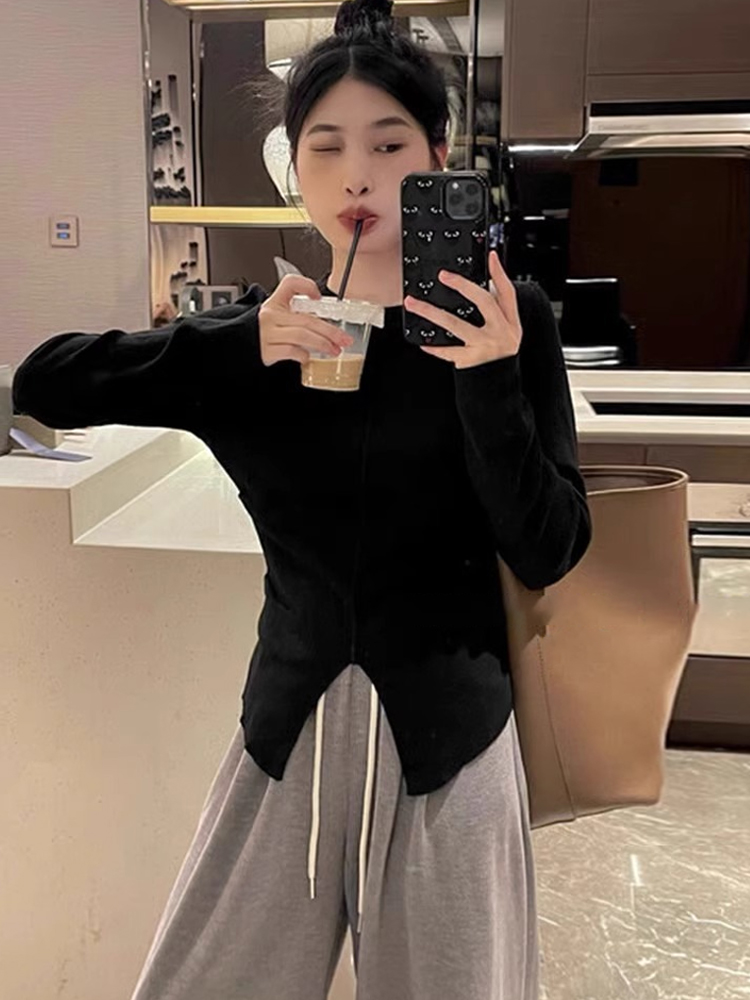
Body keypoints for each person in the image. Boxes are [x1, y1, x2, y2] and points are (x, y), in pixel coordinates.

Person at [12, 0, 592, 997]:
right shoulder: (267, 333)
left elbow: (549, 548)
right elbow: (46, 381)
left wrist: (488, 381)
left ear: (438, 156)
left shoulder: (510, 322)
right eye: (325, 147)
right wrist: (234, 346)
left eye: (388, 143)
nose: (356, 174)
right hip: (288, 736)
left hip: (451, 749)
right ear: (296, 168)